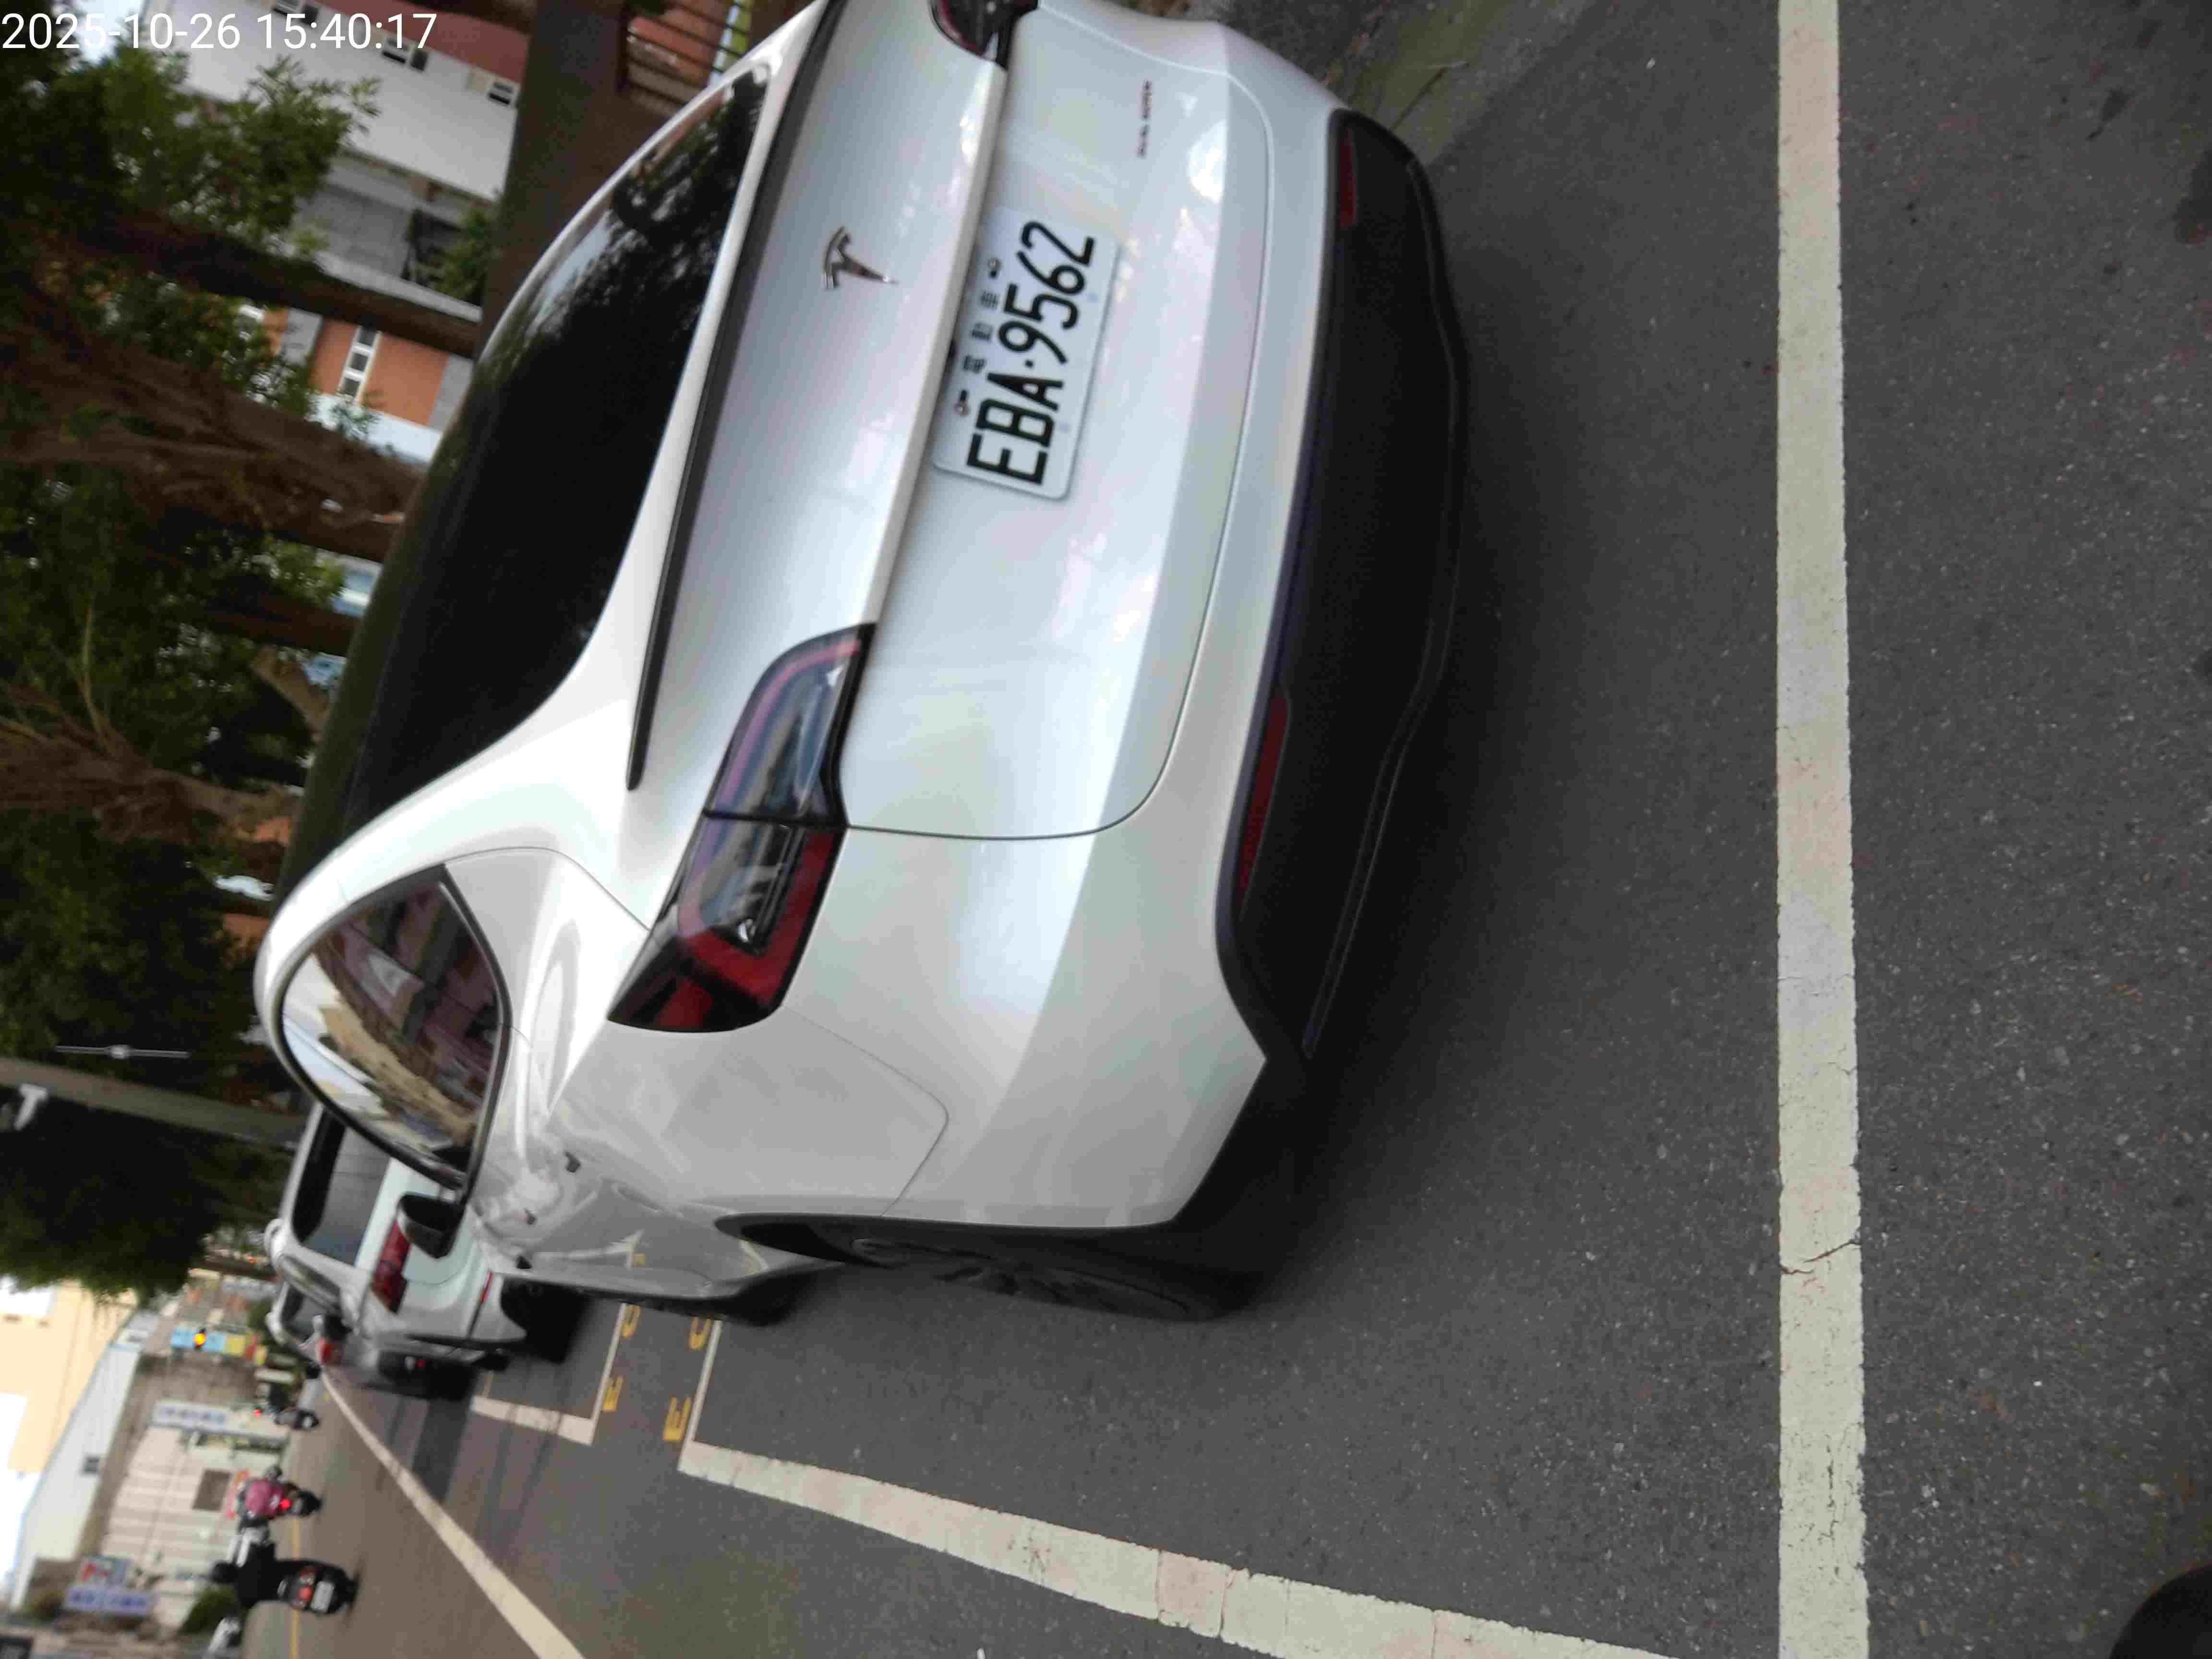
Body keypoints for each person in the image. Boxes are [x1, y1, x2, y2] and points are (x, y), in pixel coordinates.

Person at [206, 1532, 355, 1618]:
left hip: (291, 1595)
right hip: (298, 1573)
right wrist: (263, 1543)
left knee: (303, 1601)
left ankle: (336, 1596)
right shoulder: (252, 1562)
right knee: (316, 1567)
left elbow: (248, 1605)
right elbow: (269, 1548)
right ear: (228, 1565)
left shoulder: (241, 1595)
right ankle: (344, 1584)